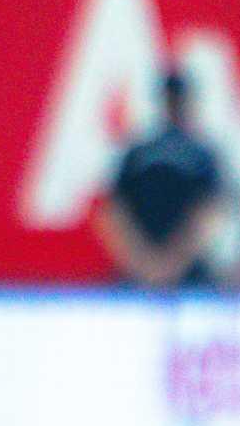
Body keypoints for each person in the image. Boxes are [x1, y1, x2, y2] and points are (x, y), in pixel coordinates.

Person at [94, 70, 224, 288]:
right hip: (173, 273)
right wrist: (160, 264)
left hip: (151, 272)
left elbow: (209, 213)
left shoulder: (140, 153)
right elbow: (113, 213)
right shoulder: (197, 155)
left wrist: (149, 264)